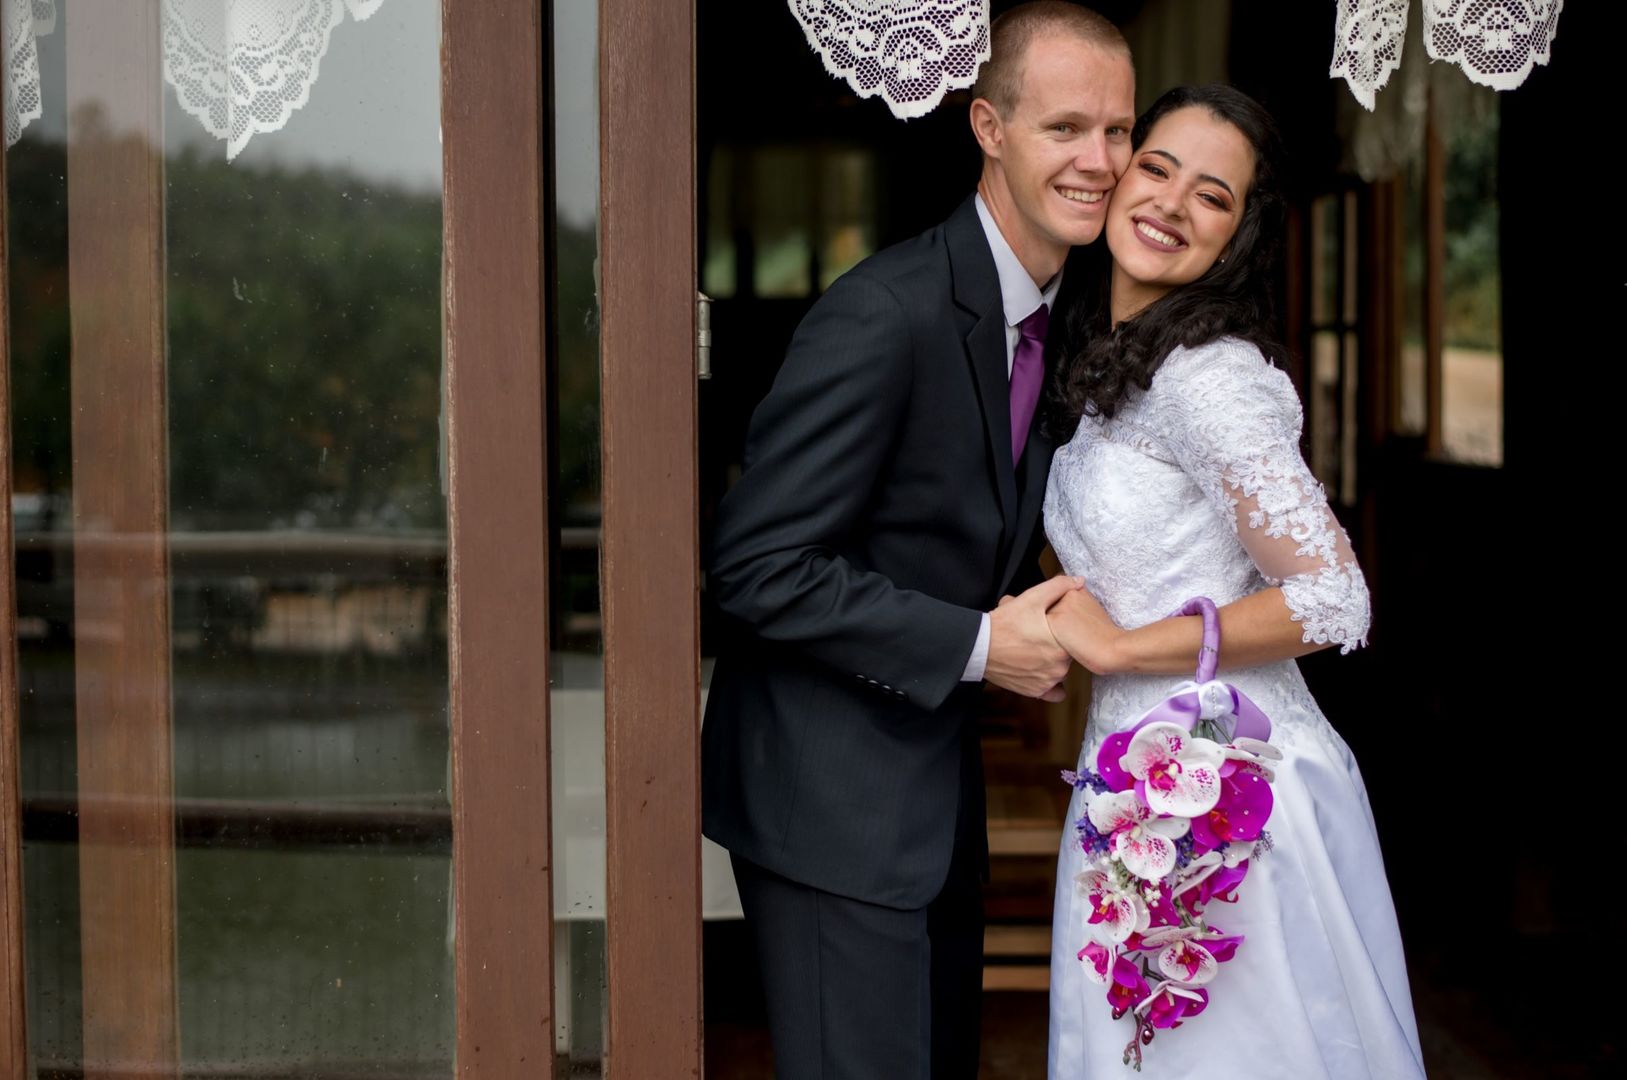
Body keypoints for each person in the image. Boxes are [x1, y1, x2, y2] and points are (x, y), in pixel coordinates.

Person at [701, 4, 1135, 1076]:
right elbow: (753, 566)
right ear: (987, 127)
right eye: (1065, 129)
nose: (1100, 161)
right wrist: (983, 646)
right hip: (830, 810)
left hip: (930, 814)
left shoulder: (1057, 316)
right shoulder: (882, 314)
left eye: (1119, 132)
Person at [1041, 84, 1425, 1078]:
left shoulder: (1208, 377)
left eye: (1211, 196)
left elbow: (1335, 596)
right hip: (1129, 783)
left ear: (1239, 235)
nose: (1169, 202)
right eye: (1156, 168)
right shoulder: (1115, 363)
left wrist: (1123, 648)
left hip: (1226, 780)